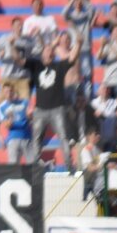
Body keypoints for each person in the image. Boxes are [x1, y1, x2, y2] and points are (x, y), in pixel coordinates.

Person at [28, 36, 81, 171]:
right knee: (36, 140)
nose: (49, 52)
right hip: (40, 110)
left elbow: (72, 58)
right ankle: (34, 169)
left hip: (57, 109)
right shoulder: (37, 67)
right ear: (42, 53)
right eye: (47, 50)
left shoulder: (59, 66)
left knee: (63, 138)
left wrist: (79, 43)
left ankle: (70, 168)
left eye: (51, 50)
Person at [0, 16, 34, 99]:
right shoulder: (4, 39)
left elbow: (33, 55)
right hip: (7, 77)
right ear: (12, 27)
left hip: (22, 77)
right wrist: (0, 55)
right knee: (3, 104)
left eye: (21, 25)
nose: (20, 27)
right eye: (18, 25)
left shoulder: (28, 40)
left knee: (24, 104)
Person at [0, 82, 30, 165]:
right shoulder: (1, 107)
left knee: (32, 165)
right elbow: (7, 125)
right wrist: (23, 122)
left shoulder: (24, 102)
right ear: (3, 93)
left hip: (27, 138)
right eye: (6, 92)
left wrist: (14, 122)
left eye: (10, 91)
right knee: (13, 167)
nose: (9, 94)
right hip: (13, 139)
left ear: (13, 91)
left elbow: (30, 117)